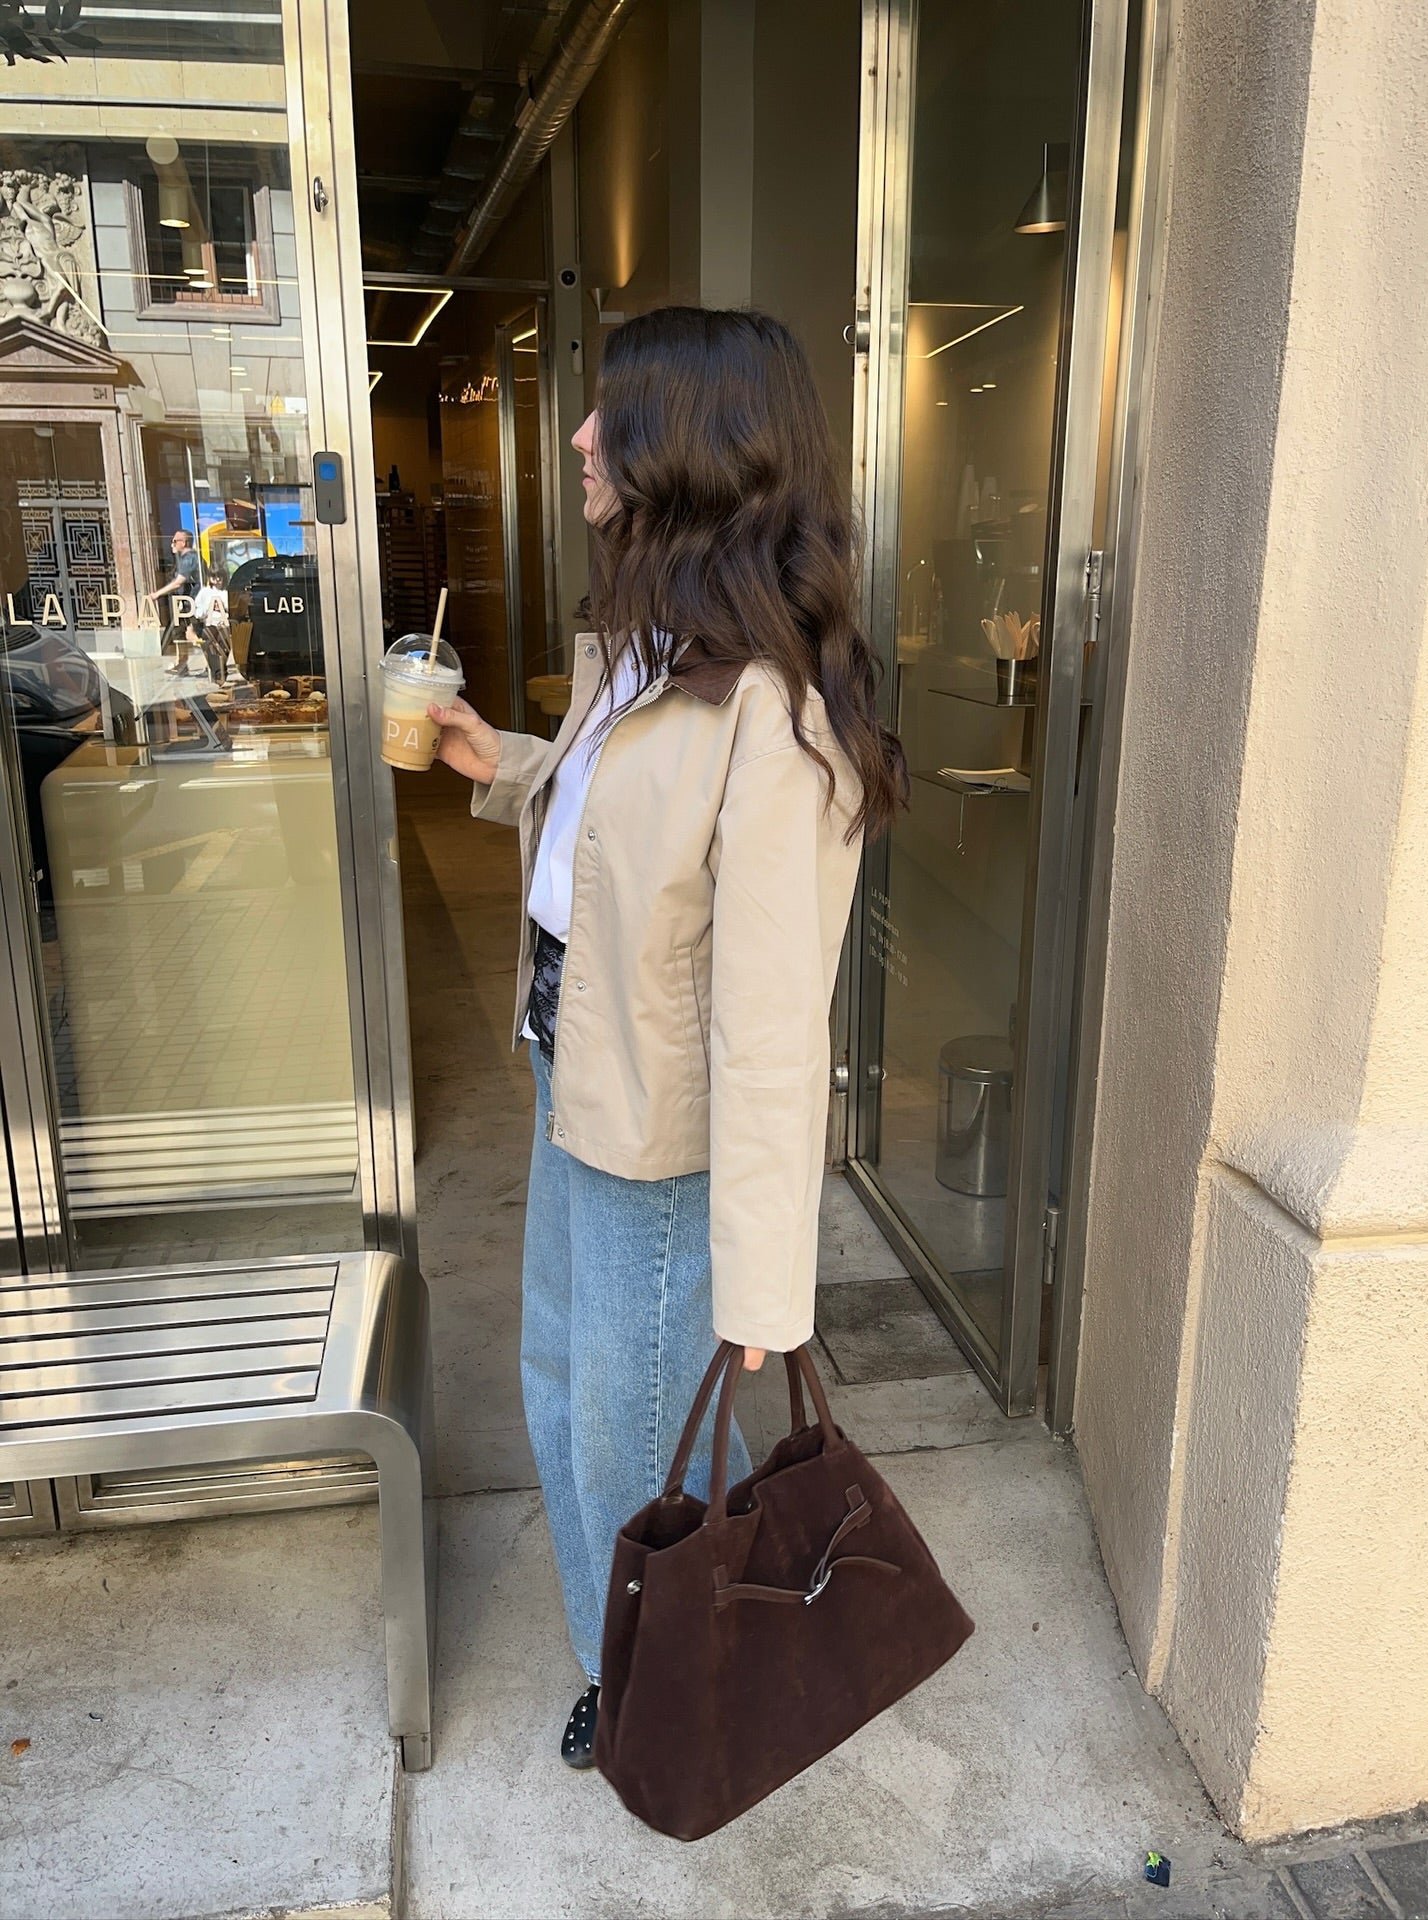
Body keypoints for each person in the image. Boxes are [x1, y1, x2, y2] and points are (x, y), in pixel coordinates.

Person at [427, 308, 908, 1770]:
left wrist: (765, 1277)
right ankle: (641, 1655)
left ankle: (660, 1694)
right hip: (570, 1066)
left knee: (631, 1435)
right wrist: (507, 764)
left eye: (611, 414)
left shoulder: (773, 713)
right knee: (563, 1386)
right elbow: (622, 845)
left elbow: (772, 1023)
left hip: (657, 1132)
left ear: (689, 449)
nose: (581, 436)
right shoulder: (647, 653)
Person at [159, 528, 202, 673]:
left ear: (183, 542)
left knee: (193, 634)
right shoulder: (182, 559)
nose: (172, 544)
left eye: (174, 541)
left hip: (190, 602)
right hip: (185, 602)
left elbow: (178, 582)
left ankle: (213, 662)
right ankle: (181, 663)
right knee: (179, 632)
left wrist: (157, 594)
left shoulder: (189, 558)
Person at [187, 568, 232, 685]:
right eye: (214, 577)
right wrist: (208, 609)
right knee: (209, 642)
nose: (217, 580)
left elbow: (234, 610)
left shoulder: (227, 592)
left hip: (224, 623)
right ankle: (217, 673)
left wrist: (224, 608)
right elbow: (197, 612)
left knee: (224, 641)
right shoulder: (204, 593)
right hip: (209, 623)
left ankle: (221, 671)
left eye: (219, 577)